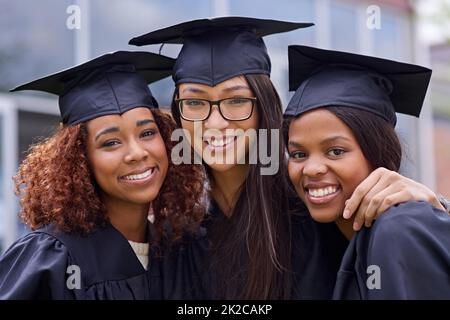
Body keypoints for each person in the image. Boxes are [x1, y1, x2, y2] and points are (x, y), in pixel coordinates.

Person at [130, 17, 449, 299]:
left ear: (265, 108)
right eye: (195, 103)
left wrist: (434, 212)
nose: (214, 123)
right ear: (178, 115)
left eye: (237, 100)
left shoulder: (322, 213)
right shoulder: (177, 241)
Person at [0, 51, 206, 299]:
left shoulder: (181, 252)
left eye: (147, 133)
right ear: (80, 160)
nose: (136, 153)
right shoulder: (54, 259)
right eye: (110, 143)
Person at [284, 45, 450, 299]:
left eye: (336, 151)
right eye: (298, 154)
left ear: (378, 153)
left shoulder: (397, 230)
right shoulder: (320, 241)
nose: (312, 168)